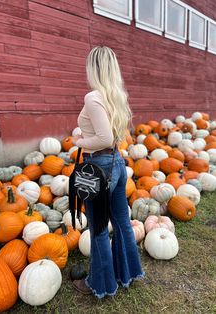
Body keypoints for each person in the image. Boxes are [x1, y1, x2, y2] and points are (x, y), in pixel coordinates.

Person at [72, 46, 144, 298]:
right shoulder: (115, 96)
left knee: (99, 228)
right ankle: (128, 273)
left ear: (94, 68)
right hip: (116, 164)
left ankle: (101, 285)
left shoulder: (93, 97)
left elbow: (102, 137)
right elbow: (110, 136)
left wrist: (79, 141)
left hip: (98, 170)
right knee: (122, 223)